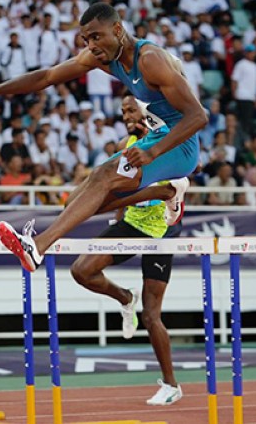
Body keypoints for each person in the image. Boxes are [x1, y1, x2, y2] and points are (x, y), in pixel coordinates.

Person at [0, 2, 206, 273]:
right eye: (85, 39)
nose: (90, 45)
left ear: (117, 30)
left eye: (95, 37)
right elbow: (47, 76)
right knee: (78, 202)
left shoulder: (150, 59)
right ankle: (169, 190)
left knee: (105, 177)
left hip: (180, 144)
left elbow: (199, 116)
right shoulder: (102, 56)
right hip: (157, 137)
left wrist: (153, 152)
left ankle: (37, 246)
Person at [70, 95, 182, 405]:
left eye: (130, 109)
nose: (125, 115)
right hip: (132, 224)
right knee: (81, 270)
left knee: (151, 316)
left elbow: (176, 181)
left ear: (146, 110)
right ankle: (124, 297)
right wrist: (115, 217)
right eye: (122, 111)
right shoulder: (128, 141)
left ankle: (171, 384)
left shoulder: (168, 141)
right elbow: (119, 184)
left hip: (161, 232)